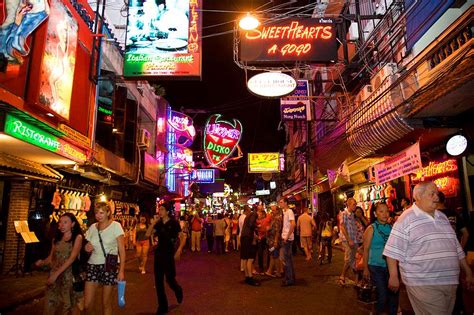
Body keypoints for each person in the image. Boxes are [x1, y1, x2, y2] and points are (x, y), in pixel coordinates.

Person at [384, 182, 474, 315]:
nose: (437, 197)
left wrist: (468, 271)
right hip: (423, 282)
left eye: (437, 194)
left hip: (450, 281)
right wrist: (393, 276)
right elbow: (392, 251)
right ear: (418, 196)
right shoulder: (406, 218)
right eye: (432, 194)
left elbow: (456, 247)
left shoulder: (442, 217)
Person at [36, 213, 83, 314]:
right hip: (54, 275)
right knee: (50, 303)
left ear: (73, 224)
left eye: (65, 222)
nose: (61, 225)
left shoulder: (77, 238)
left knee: (68, 304)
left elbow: (71, 259)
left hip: (68, 276)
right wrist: (42, 262)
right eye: (60, 222)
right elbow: (51, 258)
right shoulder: (56, 239)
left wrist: (56, 275)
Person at [84, 202, 126, 315]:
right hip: (92, 265)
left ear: (108, 213)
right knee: (87, 304)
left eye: (101, 212)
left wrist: (121, 271)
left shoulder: (116, 226)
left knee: (106, 303)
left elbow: (122, 250)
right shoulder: (93, 227)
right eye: (96, 213)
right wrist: (86, 247)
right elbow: (86, 244)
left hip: (109, 266)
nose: (98, 215)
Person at [146, 205, 185, 315]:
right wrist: (153, 223)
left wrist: (179, 250)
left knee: (170, 279)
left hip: (169, 255)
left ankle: (178, 290)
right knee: (158, 282)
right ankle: (162, 306)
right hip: (159, 254)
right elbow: (147, 234)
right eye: (159, 209)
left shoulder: (174, 223)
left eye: (162, 209)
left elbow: (182, 237)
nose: (160, 211)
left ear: (167, 211)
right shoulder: (158, 224)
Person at [363, 203, 399, 315]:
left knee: (393, 295)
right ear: (375, 213)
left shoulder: (391, 227)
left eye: (386, 211)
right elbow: (366, 249)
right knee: (382, 295)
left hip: (390, 267)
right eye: (381, 211)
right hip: (375, 266)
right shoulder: (371, 229)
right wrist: (365, 268)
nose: (384, 214)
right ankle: (376, 312)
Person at [338, 198, 358, 286]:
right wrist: (348, 239)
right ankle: (342, 276)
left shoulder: (352, 215)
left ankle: (357, 278)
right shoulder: (344, 214)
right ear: (348, 205)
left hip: (354, 239)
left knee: (353, 258)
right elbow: (342, 226)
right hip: (347, 240)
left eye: (355, 204)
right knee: (349, 258)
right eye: (354, 204)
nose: (355, 206)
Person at [240, 205, 259, 286]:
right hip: (248, 238)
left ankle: (247, 276)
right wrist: (257, 226)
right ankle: (250, 278)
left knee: (244, 258)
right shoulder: (254, 214)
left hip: (243, 237)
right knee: (250, 258)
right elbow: (251, 224)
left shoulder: (246, 216)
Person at [279, 198, 296, 286]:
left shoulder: (289, 212)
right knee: (288, 259)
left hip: (287, 238)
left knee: (287, 259)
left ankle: (289, 279)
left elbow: (293, 224)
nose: (280, 204)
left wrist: (287, 236)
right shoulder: (285, 212)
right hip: (286, 237)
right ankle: (291, 277)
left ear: (286, 203)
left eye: (281, 202)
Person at [266, 201, 283, 278]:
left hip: (274, 241)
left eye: (273, 207)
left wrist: (276, 241)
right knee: (272, 255)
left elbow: (277, 230)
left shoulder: (277, 218)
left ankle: (278, 272)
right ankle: (270, 271)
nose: (272, 208)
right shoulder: (274, 217)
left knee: (274, 255)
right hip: (271, 240)